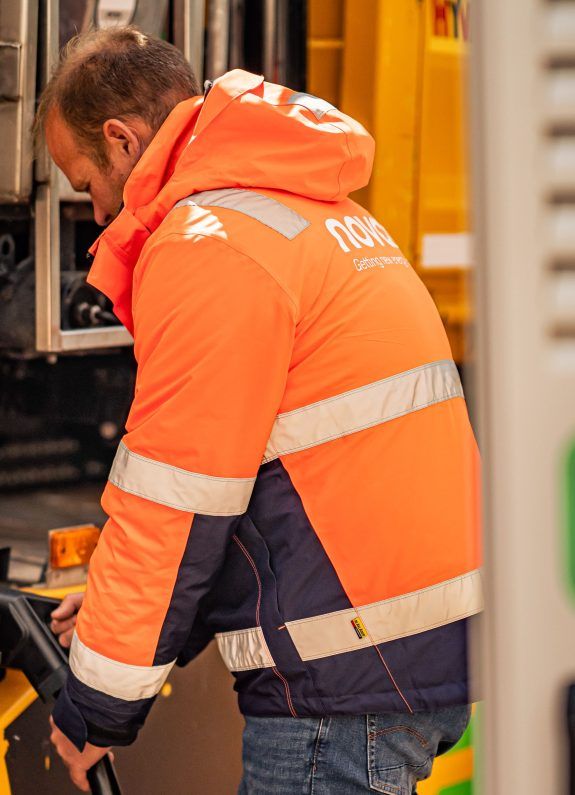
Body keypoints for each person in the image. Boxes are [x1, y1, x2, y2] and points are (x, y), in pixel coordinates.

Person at [37, 26, 482, 794]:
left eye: (86, 184)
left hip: (341, 679)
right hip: (397, 648)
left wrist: (95, 706)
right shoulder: (307, 210)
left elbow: (176, 503)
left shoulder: (206, 244)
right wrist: (115, 612)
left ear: (120, 140)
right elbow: (272, 487)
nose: (99, 213)